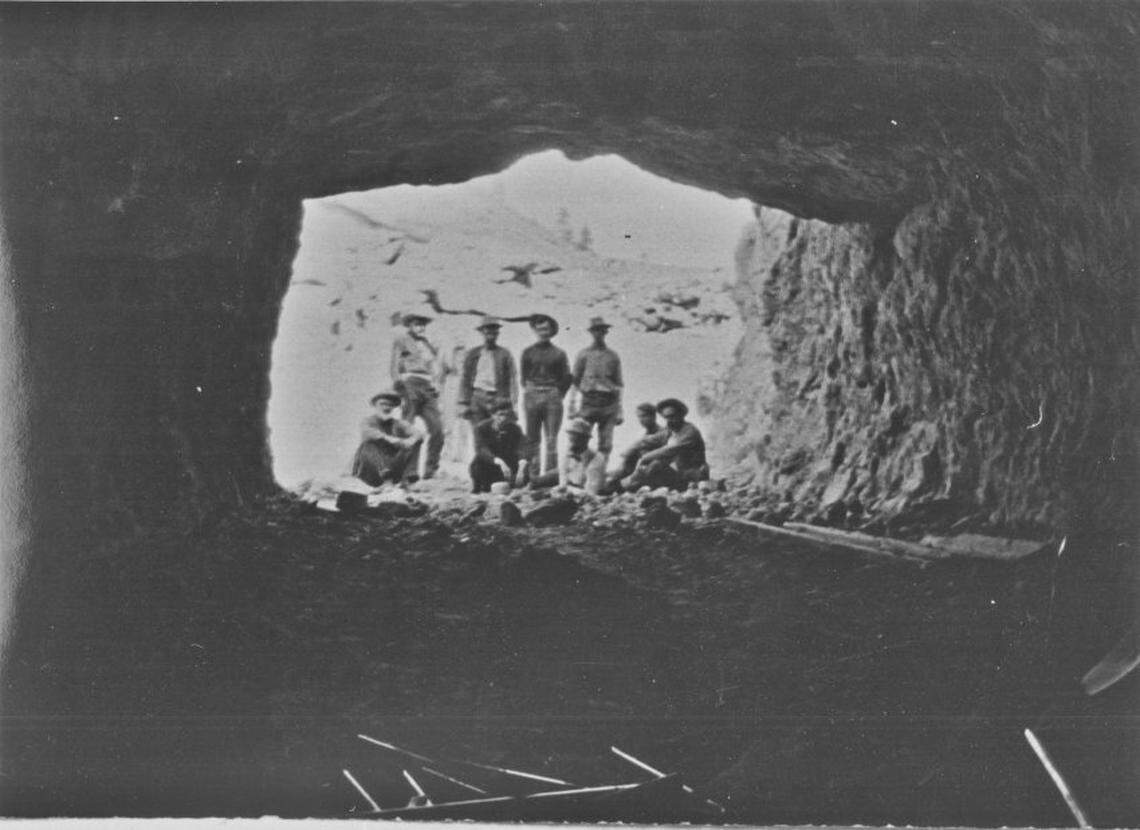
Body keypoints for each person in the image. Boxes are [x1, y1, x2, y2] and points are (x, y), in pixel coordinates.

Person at [390, 311, 444, 479]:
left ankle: (431, 470)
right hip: (410, 384)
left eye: (422, 324)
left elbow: (435, 367)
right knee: (408, 429)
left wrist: (436, 385)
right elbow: (394, 367)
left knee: (437, 429)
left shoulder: (427, 344)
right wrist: (401, 388)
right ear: (410, 326)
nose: (420, 328)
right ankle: (408, 471)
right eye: (417, 324)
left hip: (427, 387)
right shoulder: (401, 341)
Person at [519, 313, 573, 480]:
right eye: (540, 329)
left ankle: (549, 477)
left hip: (552, 396)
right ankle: (533, 477)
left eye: (546, 329)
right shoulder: (527, 352)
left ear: (551, 331)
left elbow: (567, 377)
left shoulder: (559, 353)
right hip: (532, 395)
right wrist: (531, 391)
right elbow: (523, 378)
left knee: (551, 438)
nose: (543, 332)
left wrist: (557, 394)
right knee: (532, 438)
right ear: (535, 331)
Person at [621, 398, 709, 491]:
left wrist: (644, 458)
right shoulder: (671, 430)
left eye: (672, 416)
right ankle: (628, 482)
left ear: (681, 415)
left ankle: (627, 485)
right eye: (666, 417)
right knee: (643, 451)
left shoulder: (690, 431)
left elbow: (668, 450)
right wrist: (626, 453)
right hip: (679, 473)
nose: (669, 420)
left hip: (692, 475)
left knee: (656, 464)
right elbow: (648, 440)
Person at [568, 316, 623, 462]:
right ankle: (576, 470)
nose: (599, 333)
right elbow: (575, 381)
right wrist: (572, 406)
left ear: (606, 332)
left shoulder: (613, 356)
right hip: (589, 401)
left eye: (602, 330)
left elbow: (619, 384)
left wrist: (619, 410)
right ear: (591, 333)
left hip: (609, 403)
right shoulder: (583, 354)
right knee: (579, 438)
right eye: (596, 330)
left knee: (606, 443)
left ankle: (599, 471)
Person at [351, 389, 425, 489]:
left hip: (394, 469)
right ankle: (386, 481)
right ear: (375, 406)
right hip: (371, 472)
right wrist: (390, 439)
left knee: (415, 442)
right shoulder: (367, 421)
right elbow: (368, 433)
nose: (386, 408)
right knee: (368, 445)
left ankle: (409, 480)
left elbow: (418, 434)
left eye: (390, 405)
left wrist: (411, 440)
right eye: (383, 404)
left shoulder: (398, 424)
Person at [459, 316, 518, 428]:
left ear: (498, 333)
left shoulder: (505, 354)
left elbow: (513, 379)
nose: (491, 332)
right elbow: (465, 378)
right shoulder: (473, 353)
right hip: (477, 398)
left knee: (500, 432)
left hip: (498, 399)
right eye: (487, 329)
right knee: (479, 432)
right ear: (482, 332)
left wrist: (514, 404)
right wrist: (463, 402)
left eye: (494, 329)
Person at [606, 402, 666, 491]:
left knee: (639, 452)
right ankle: (616, 480)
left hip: (659, 470)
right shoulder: (643, 434)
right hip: (644, 471)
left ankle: (620, 483)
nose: (641, 420)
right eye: (639, 417)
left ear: (653, 416)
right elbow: (630, 456)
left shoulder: (662, 432)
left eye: (644, 416)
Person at [527, 417, 598, 492]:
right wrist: (560, 488)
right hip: (567, 478)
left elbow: (591, 492)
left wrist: (567, 489)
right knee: (538, 481)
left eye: (575, 439)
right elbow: (563, 482)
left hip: (579, 485)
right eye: (570, 438)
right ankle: (532, 480)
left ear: (585, 440)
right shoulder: (567, 454)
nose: (571, 443)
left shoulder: (595, 461)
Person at [469, 401, 525, 494]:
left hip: (507, 466)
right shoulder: (481, 428)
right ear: (493, 415)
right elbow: (481, 449)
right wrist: (499, 462)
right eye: (500, 415)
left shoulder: (515, 429)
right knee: (477, 464)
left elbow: (522, 448)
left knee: (524, 474)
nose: (504, 418)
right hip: (490, 464)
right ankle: (480, 486)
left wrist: (521, 468)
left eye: (507, 415)